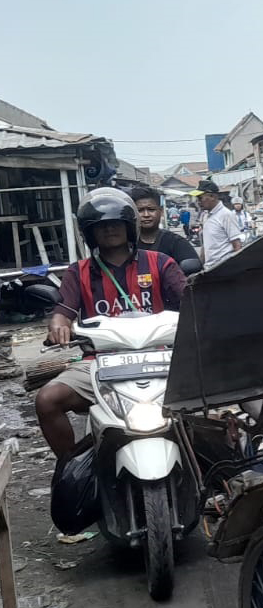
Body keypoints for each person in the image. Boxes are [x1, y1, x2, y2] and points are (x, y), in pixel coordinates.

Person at [36, 189, 186, 459]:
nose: (108, 230)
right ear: (89, 233)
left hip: (161, 359)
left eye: (115, 223)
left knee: (213, 404)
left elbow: (190, 302)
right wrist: (58, 325)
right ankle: (71, 464)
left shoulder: (161, 263)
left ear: (130, 227)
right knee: (47, 400)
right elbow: (63, 309)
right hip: (99, 363)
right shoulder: (78, 271)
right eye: (100, 226)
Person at [128, 185, 199, 269]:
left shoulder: (176, 242)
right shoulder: (126, 243)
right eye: (140, 210)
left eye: (151, 210)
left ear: (161, 211)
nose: (146, 215)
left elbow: (193, 272)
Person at [190, 178, 243, 267]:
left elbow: (237, 245)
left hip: (224, 268)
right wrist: (200, 266)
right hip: (209, 268)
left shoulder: (226, 215)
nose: (198, 202)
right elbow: (205, 245)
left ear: (212, 197)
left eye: (200, 198)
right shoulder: (205, 215)